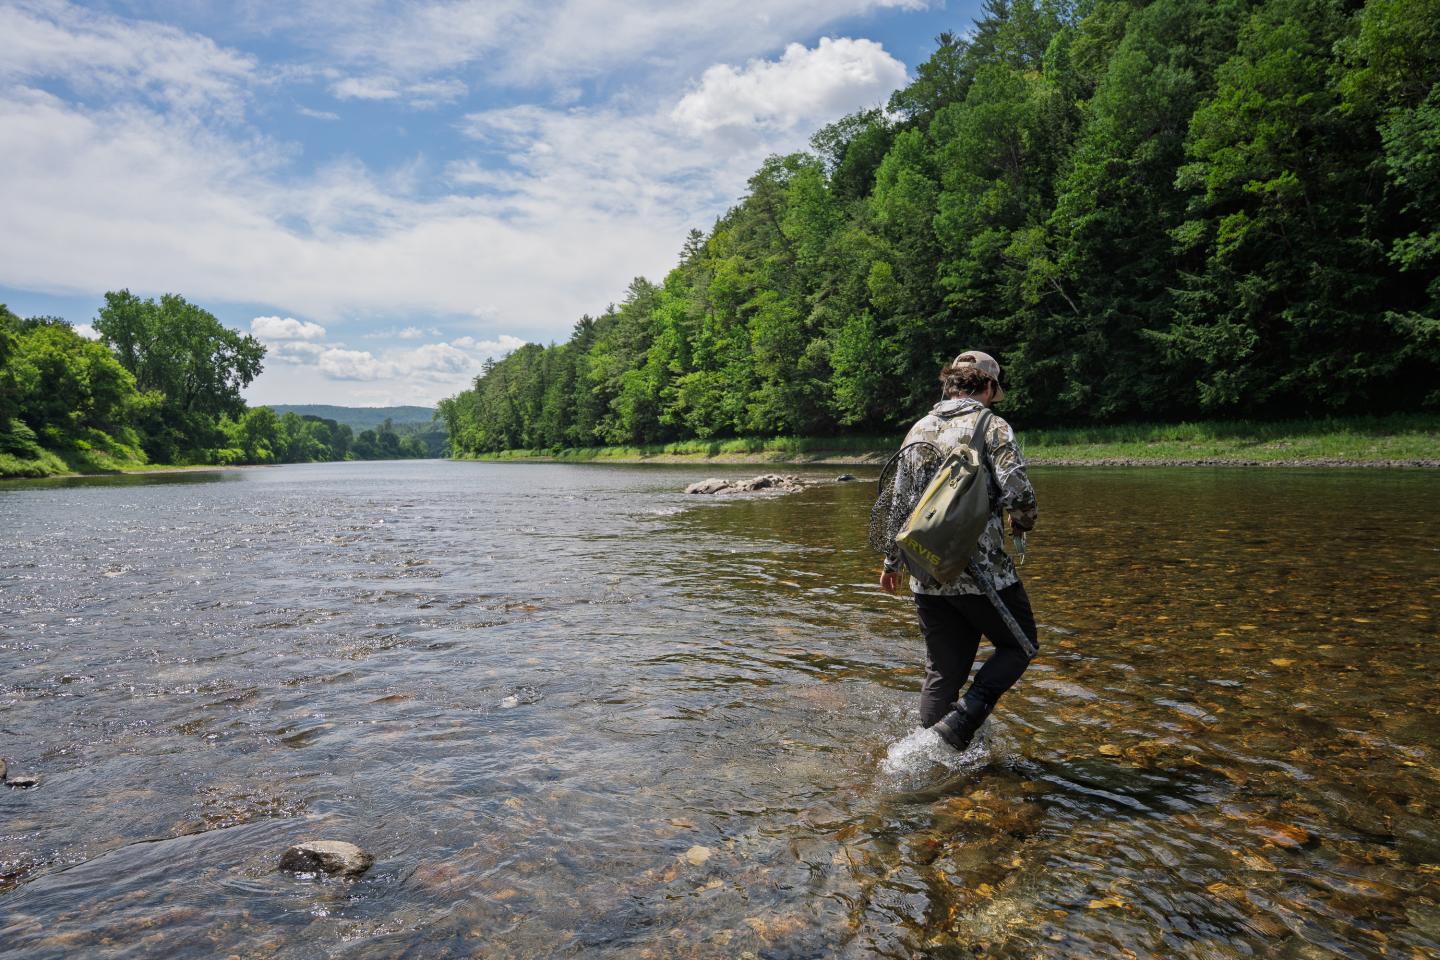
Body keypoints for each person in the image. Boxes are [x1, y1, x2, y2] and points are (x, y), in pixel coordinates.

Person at [879, 350, 1039, 752]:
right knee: (1020, 645)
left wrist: (891, 563)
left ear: (948, 384)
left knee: (942, 670)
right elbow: (1019, 493)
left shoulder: (917, 429)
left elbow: (898, 502)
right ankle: (963, 721)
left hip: (926, 570)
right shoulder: (993, 426)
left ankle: (929, 754)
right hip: (982, 572)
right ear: (987, 387)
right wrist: (1022, 521)